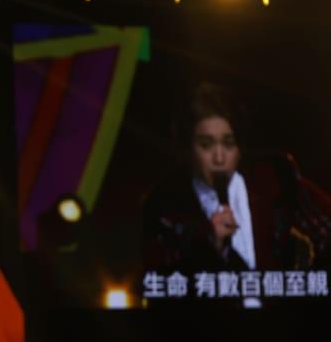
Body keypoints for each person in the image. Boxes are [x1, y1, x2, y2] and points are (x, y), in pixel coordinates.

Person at [142, 83, 331, 274]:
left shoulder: (275, 176)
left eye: (228, 142)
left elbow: (326, 228)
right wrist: (208, 247)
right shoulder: (164, 204)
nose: (219, 157)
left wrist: (307, 287)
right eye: (206, 144)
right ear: (187, 151)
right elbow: (160, 275)